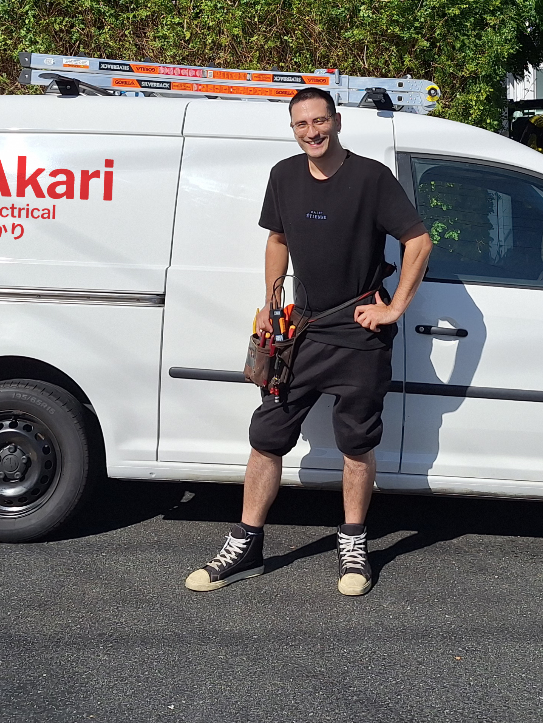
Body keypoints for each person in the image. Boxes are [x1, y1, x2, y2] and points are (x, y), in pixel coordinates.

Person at [185, 86, 432, 596]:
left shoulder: (370, 178)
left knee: (357, 443)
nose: (312, 132)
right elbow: (277, 239)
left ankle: (354, 544)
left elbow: (419, 240)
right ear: (293, 130)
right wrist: (271, 302)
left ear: (337, 122)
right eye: (302, 124)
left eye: (320, 121)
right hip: (300, 331)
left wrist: (393, 310)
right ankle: (246, 545)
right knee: (267, 436)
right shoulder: (284, 176)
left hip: (359, 333)